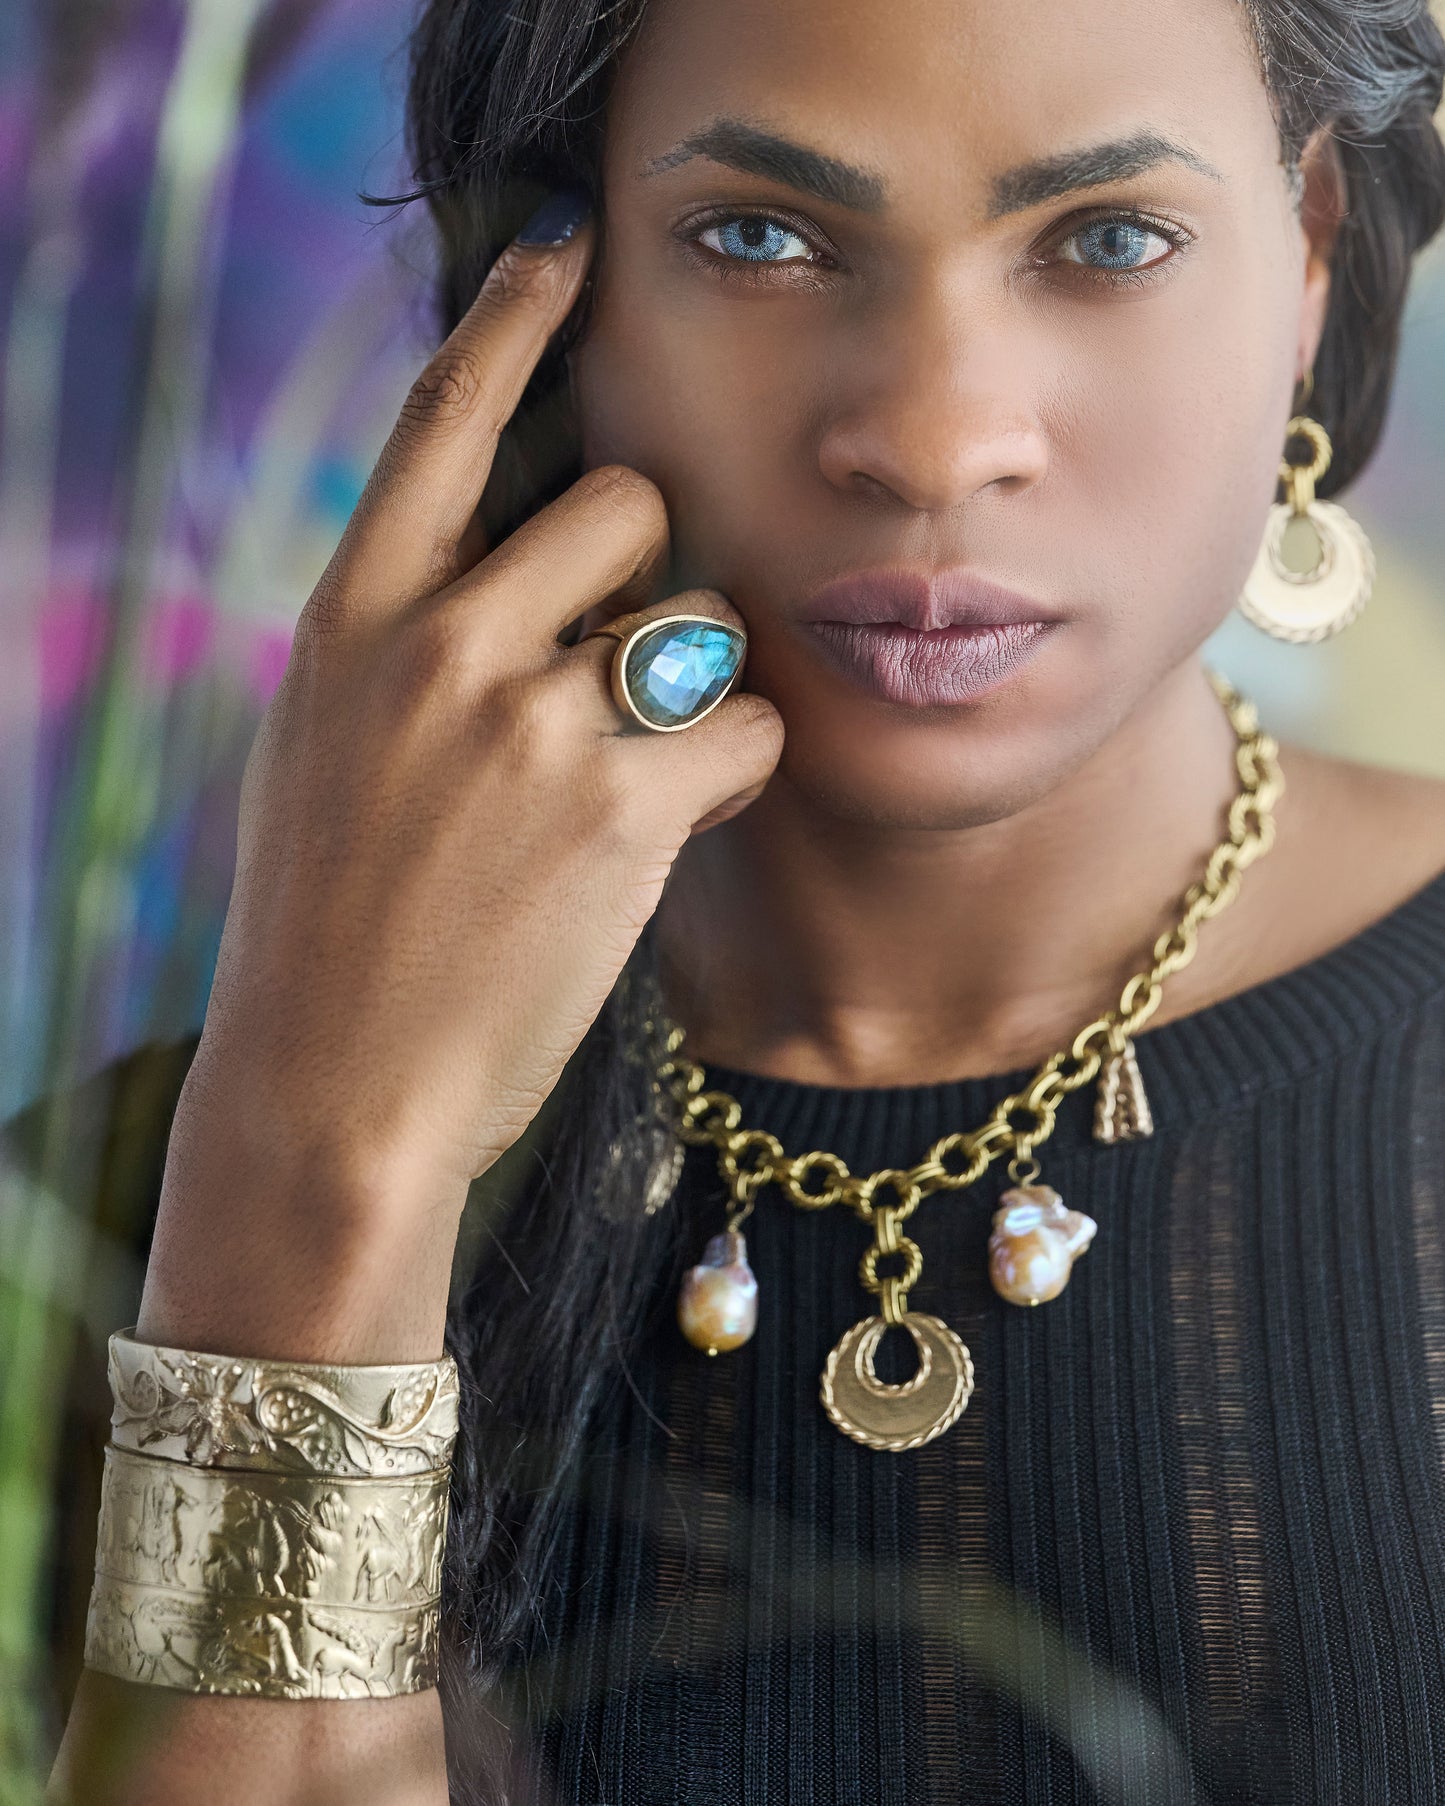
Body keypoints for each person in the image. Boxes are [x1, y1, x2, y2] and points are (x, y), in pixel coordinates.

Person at [33, 0, 1445, 1799]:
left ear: (1309, 249)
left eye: (1105, 242)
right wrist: (313, 1182)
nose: (934, 442)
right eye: (760, 237)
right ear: (556, 291)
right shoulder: (97, 1229)